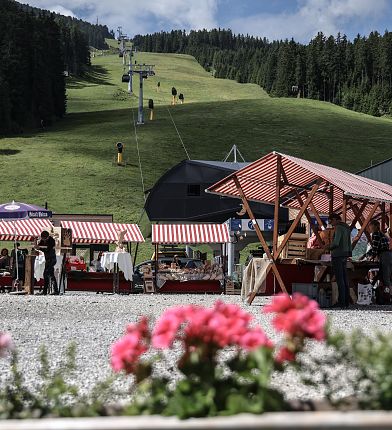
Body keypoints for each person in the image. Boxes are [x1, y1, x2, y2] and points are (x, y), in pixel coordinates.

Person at [325, 213, 352, 308]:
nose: (331, 224)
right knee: (344, 279)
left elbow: (336, 243)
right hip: (345, 255)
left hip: (338, 255)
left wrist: (327, 247)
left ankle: (341, 302)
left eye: (331, 221)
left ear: (335, 219)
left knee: (340, 279)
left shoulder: (339, 228)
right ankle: (346, 302)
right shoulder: (346, 228)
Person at [362, 220, 392, 297]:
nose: (369, 227)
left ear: (374, 226)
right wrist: (365, 255)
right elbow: (375, 248)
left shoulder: (375, 234)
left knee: (385, 277)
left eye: (370, 226)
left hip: (384, 256)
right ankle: (387, 294)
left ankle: (388, 295)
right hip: (389, 255)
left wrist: (369, 257)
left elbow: (374, 249)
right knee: (387, 275)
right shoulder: (382, 234)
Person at [37, 231, 58, 295]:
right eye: (42, 238)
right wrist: (39, 246)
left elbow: (47, 249)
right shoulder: (43, 240)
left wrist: (40, 248)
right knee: (49, 275)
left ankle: (46, 291)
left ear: (47, 237)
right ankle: (52, 290)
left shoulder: (51, 240)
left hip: (52, 259)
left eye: (44, 239)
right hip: (48, 259)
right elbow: (39, 246)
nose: (43, 240)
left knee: (47, 274)